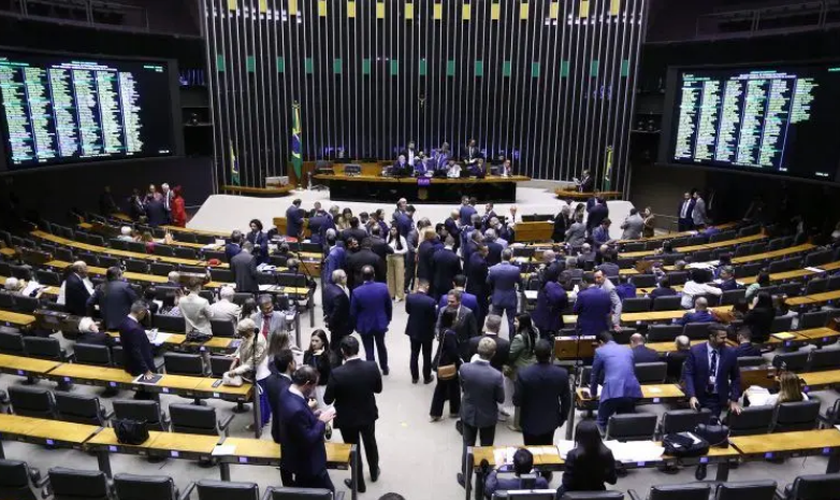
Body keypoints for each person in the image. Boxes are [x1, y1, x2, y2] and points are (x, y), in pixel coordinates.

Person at [324, 336, 382, 493]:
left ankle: (359, 483)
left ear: (342, 352)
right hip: (368, 412)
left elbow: (328, 399)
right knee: (370, 442)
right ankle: (374, 471)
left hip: (347, 418)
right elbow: (378, 389)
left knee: (353, 448)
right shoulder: (372, 366)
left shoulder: (337, 373)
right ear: (358, 348)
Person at [276, 366, 336, 491]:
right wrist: (321, 421)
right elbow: (308, 438)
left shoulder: (285, 391)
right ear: (307, 383)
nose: (314, 390)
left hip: (292, 455)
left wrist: (311, 415)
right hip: (308, 463)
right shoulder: (297, 409)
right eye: (314, 386)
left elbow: (295, 423)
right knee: (329, 492)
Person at [457, 337, 505, 488]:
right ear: (493, 354)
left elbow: (463, 387)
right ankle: (485, 479)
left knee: (467, 445)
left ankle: (466, 478)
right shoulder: (496, 376)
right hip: (488, 415)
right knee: (486, 447)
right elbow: (501, 398)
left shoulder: (465, 368)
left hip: (469, 411)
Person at [514, 339, 570, 446]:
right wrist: (562, 418)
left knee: (529, 449)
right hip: (550, 420)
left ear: (535, 354)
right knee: (547, 449)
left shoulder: (524, 374)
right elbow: (566, 400)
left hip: (529, 421)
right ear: (550, 353)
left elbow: (517, 401)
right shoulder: (561, 374)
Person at [684, 323, 742, 417]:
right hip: (698, 395)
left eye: (725, 337)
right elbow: (689, 374)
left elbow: (736, 377)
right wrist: (692, 395)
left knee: (712, 425)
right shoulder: (695, 351)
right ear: (711, 337)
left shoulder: (731, 353)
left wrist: (734, 400)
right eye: (722, 338)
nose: (725, 340)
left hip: (717, 397)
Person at [590, 331, 642, 430]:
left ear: (601, 342)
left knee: (601, 422)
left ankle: (599, 442)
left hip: (612, 390)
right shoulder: (628, 349)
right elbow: (633, 371)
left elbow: (594, 375)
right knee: (625, 423)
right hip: (632, 389)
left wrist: (593, 393)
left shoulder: (600, 351)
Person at [226, 318, 270, 429]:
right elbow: (242, 347)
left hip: (260, 372)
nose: (239, 334)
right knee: (262, 397)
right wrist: (236, 358)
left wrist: (235, 371)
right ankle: (265, 418)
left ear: (249, 330)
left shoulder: (258, 341)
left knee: (261, 398)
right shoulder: (248, 336)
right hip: (251, 370)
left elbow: (252, 363)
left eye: (241, 332)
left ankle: (260, 423)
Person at [556, 420, 617, 498]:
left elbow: (567, 483)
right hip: (598, 494)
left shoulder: (573, 455)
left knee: (560, 491)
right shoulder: (607, 453)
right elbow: (612, 480)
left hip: (575, 495)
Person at [351, 265, 393, 374]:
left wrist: (356, 325)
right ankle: (384, 367)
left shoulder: (357, 292)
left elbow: (353, 312)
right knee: (381, 345)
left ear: (361, 276)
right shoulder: (383, 287)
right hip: (380, 322)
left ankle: (372, 370)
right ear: (373, 275)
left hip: (365, 324)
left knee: (368, 348)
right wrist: (388, 319)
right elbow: (388, 306)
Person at [265, 349, 296, 485]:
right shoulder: (289, 388)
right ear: (290, 364)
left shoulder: (270, 380)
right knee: (291, 459)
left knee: (285, 461)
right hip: (289, 432)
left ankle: (287, 485)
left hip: (276, 428)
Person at [118, 301, 156, 399]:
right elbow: (136, 351)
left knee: (141, 390)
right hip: (141, 366)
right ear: (141, 312)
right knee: (148, 392)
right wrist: (146, 370)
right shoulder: (134, 328)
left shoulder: (124, 322)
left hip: (130, 362)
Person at [430, 310, 462, 422]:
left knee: (441, 388)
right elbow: (453, 352)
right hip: (449, 364)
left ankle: (436, 413)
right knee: (453, 388)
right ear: (453, 320)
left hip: (441, 363)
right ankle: (455, 410)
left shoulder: (444, 331)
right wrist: (459, 363)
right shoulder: (450, 334)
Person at [405, 281, 437, 384]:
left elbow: (408, 310)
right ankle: (427, 377)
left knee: (414, 353)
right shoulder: (431, 301)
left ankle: (414, 377)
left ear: (418, 285)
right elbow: (434, 317)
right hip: (426, 331)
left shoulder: (410, 297)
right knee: (426, 355)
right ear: (427, 287)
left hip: (413, 329)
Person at [436, 289, 479, 361]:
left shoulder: (468, 313)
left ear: (459, 301)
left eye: (452, 301)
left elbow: (473, 332)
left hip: (462, 349)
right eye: (448, 301)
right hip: (446, 349)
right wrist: (438, 334)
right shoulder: (443, 310)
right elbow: (438, 325)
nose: (449, 303)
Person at [487, 248, 520, 335]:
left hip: (497, 297)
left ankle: (494, 338)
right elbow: (521, 283)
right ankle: (512, 340)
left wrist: (492, 291)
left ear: (501, 256)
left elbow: (488, 282)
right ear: (511, 257)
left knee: (494, 321)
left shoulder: (494, 269)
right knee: (512, 322)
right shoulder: (516, 269)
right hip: (511, 298)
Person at [323, 270, 352, 359]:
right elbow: (337, 313)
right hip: (340, 326)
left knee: (334, 343)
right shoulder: (340, 295)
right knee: (338, 347)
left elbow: (325, 304)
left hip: (332, 323)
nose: (347, 278)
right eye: (345, 276)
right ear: (341, 279)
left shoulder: (328, 288)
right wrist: (331, 322)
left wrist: (327, 318)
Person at [532, 271, 568, 338]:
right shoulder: (563, 294)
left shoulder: (548, 284)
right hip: (551, 322)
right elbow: (565, 307)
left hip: (539, 316)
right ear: (568, 282)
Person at [304, 330, 331, 409]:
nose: (314, 343)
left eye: (317, 341)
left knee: (324, 409)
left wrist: (321, 356)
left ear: (323, 342)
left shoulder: (327, 355)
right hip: (310, 387)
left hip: (322, 387)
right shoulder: (307, 354)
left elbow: (326, 371)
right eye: (312, 340)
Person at [386, 225, 407, 301]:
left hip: (398, 257)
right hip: (389, 257)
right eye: (392, 230)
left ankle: (399, 295)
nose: (393, 231)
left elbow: (405, 249)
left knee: (399, 277)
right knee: (390, 276)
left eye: (394, 230)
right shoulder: (388, 237)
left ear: (397, 231)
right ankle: (391, 293)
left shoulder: (401, 238)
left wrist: (397, 252)